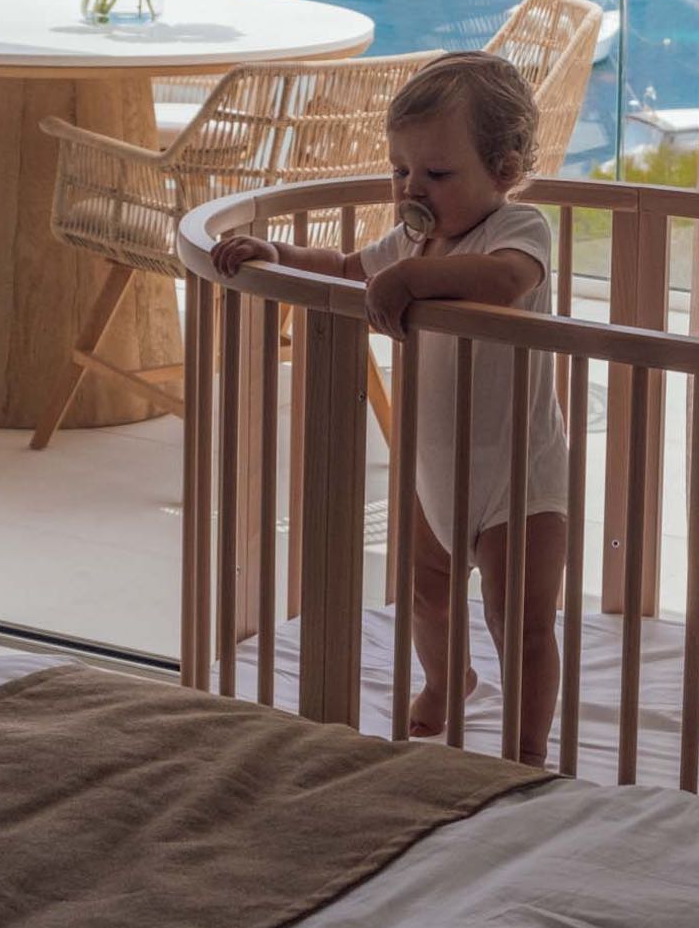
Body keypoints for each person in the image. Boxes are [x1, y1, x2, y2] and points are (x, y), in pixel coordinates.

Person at [211, 51, 568, 767]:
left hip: (518, 481)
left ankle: (526, 746)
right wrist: (276, 250)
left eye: (436, 174)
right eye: (401, 170)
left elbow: (502, 283)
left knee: (517, 618)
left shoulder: (517, 228)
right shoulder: (411, 239)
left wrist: (413, 275)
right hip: (437, 471)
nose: (413, 188)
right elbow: (349, 270)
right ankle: (447, 679)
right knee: (425, 592)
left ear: (503, 168)